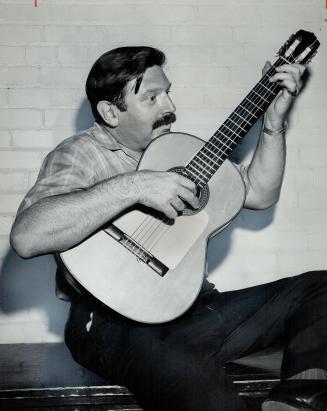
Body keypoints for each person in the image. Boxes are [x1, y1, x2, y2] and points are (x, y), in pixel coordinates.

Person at [10, 47, 327, 411]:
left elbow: (259, 192)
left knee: (319, 288)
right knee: (181, 365)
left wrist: (272, 126)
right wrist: (137, 185)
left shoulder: (178, 151)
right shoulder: (79, 154)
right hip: (112, 323)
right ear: (111, 112)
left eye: (168, 92)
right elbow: (27, 237)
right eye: (152, 97)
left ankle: (297, 400)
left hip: (194, 310)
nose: (169, 106)